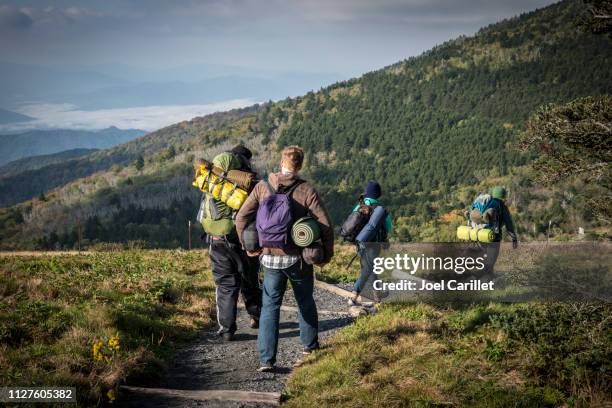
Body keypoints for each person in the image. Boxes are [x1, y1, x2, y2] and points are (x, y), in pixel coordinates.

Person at [235, 145, 334, 372]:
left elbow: (241, 218)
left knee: (270, 306)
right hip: (297, 259)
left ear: (281, 162)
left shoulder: (263, 186)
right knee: (305, 301)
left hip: (269, 258)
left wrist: (248, 245)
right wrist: (326, 255)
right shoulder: (306, 190)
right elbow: (325, 225)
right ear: (299, 165)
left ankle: (266, 360)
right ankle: (310, 348)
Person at [203, 146, 262, 342]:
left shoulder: (211, 182)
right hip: (243, 238)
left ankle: (227, 330)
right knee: (250, 278)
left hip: (216, 238)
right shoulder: (246, 181)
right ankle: (258, 316)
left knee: (225, 284)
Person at [348, 181, 393, 305]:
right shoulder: (380, 210)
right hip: (374, 246)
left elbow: (351, 223)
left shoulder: (359, 207)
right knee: (368, 269)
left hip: (359, 243)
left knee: (370, 268)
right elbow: (389, 228)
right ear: (378, 195)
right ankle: (353, 296)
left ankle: (377, 294)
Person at [467, 186, 518, 275]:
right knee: (490, 262)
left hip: (477, 235)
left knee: (483, 259)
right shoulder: (501, 205)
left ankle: (481, 276)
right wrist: (514, 237)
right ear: (503, 197)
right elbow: (508, 222)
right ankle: (481, 280)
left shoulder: (480, 201)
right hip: (492, 237)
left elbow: (470, 216)